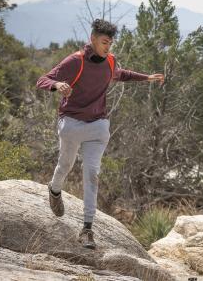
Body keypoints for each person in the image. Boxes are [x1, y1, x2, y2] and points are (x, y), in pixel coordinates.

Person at [36, 19, 164, 249]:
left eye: (111, 43)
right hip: (72, 123)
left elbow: (120, 74)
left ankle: (87, 229)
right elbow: (43, 79)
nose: (108, 47)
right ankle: (54, 190)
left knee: (92, 173)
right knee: (65, 165)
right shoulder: (76, 61)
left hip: (98, 126)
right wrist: (56, 86)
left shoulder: (110, 60)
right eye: (105, 42)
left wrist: (146, 78)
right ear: (93, 39)